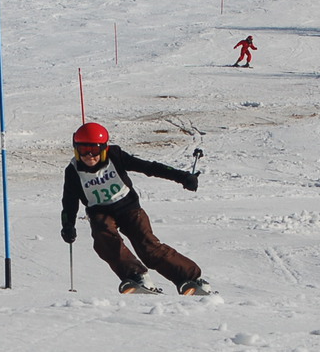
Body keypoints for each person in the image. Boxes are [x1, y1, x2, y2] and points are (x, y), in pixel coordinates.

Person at [60, 122, 210, 296]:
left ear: (104, 149)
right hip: (99, 212)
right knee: (104, 239)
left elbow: (149, 167)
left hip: (128, 207)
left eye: (94, 149)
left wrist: (182, 177)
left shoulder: (115, 156)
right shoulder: (73, 171)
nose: (89, 155)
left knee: (148, 248)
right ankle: (136, 276)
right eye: (83, 150)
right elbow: (69, 202)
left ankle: (192, 279)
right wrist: (68, 225)